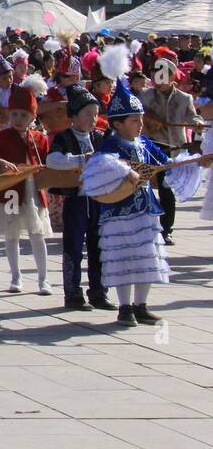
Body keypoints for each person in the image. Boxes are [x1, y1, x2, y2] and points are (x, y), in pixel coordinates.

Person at [81, 51, 213, 325]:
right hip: (118, 210)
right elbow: (98, 166)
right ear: (117, 124)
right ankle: (125, 306)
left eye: (140, 120)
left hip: (145, 208)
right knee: (122, 258)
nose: (140, 125)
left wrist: (197, 161)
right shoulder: (112, 145)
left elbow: (167, 163)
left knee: (146, 256)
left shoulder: (145, 145)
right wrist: (125, 171)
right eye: (134, 121)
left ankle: (141, 305)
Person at [0, 75, 53, 294]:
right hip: (10, 192)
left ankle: (43, 278)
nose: (18, 119)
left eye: (24, 115)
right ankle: (16, 277)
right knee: (12, 234)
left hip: (33, 193)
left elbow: (46, 161)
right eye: (15, 114)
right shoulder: (2, 136)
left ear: (32, 116)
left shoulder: (39, 138)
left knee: (37, 234)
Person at [45, 85, 113, 311]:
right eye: (87, 115)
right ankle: (73, 293)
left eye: (95, 115)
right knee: (73, 246)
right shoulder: (64, 137)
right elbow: (52, 160)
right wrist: (81, 159)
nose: (93, 119)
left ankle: (99, 292)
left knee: (99, 245)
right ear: (73, 116)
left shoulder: (101, 137)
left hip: (99, 200)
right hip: (76, 199)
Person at [138, 55, 199, 245]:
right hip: (150, 147)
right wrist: (147, 126)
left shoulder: (184, 98)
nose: (160, 80)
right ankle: (144, 226)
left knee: (166, 191)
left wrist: (197, 124)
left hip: (173, 150)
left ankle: (166, 229)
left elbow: (192, 118)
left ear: (172, 77)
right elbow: (137, 118)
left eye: (164, 76)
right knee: (143, 188)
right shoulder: (145, 95)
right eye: (157, 75)